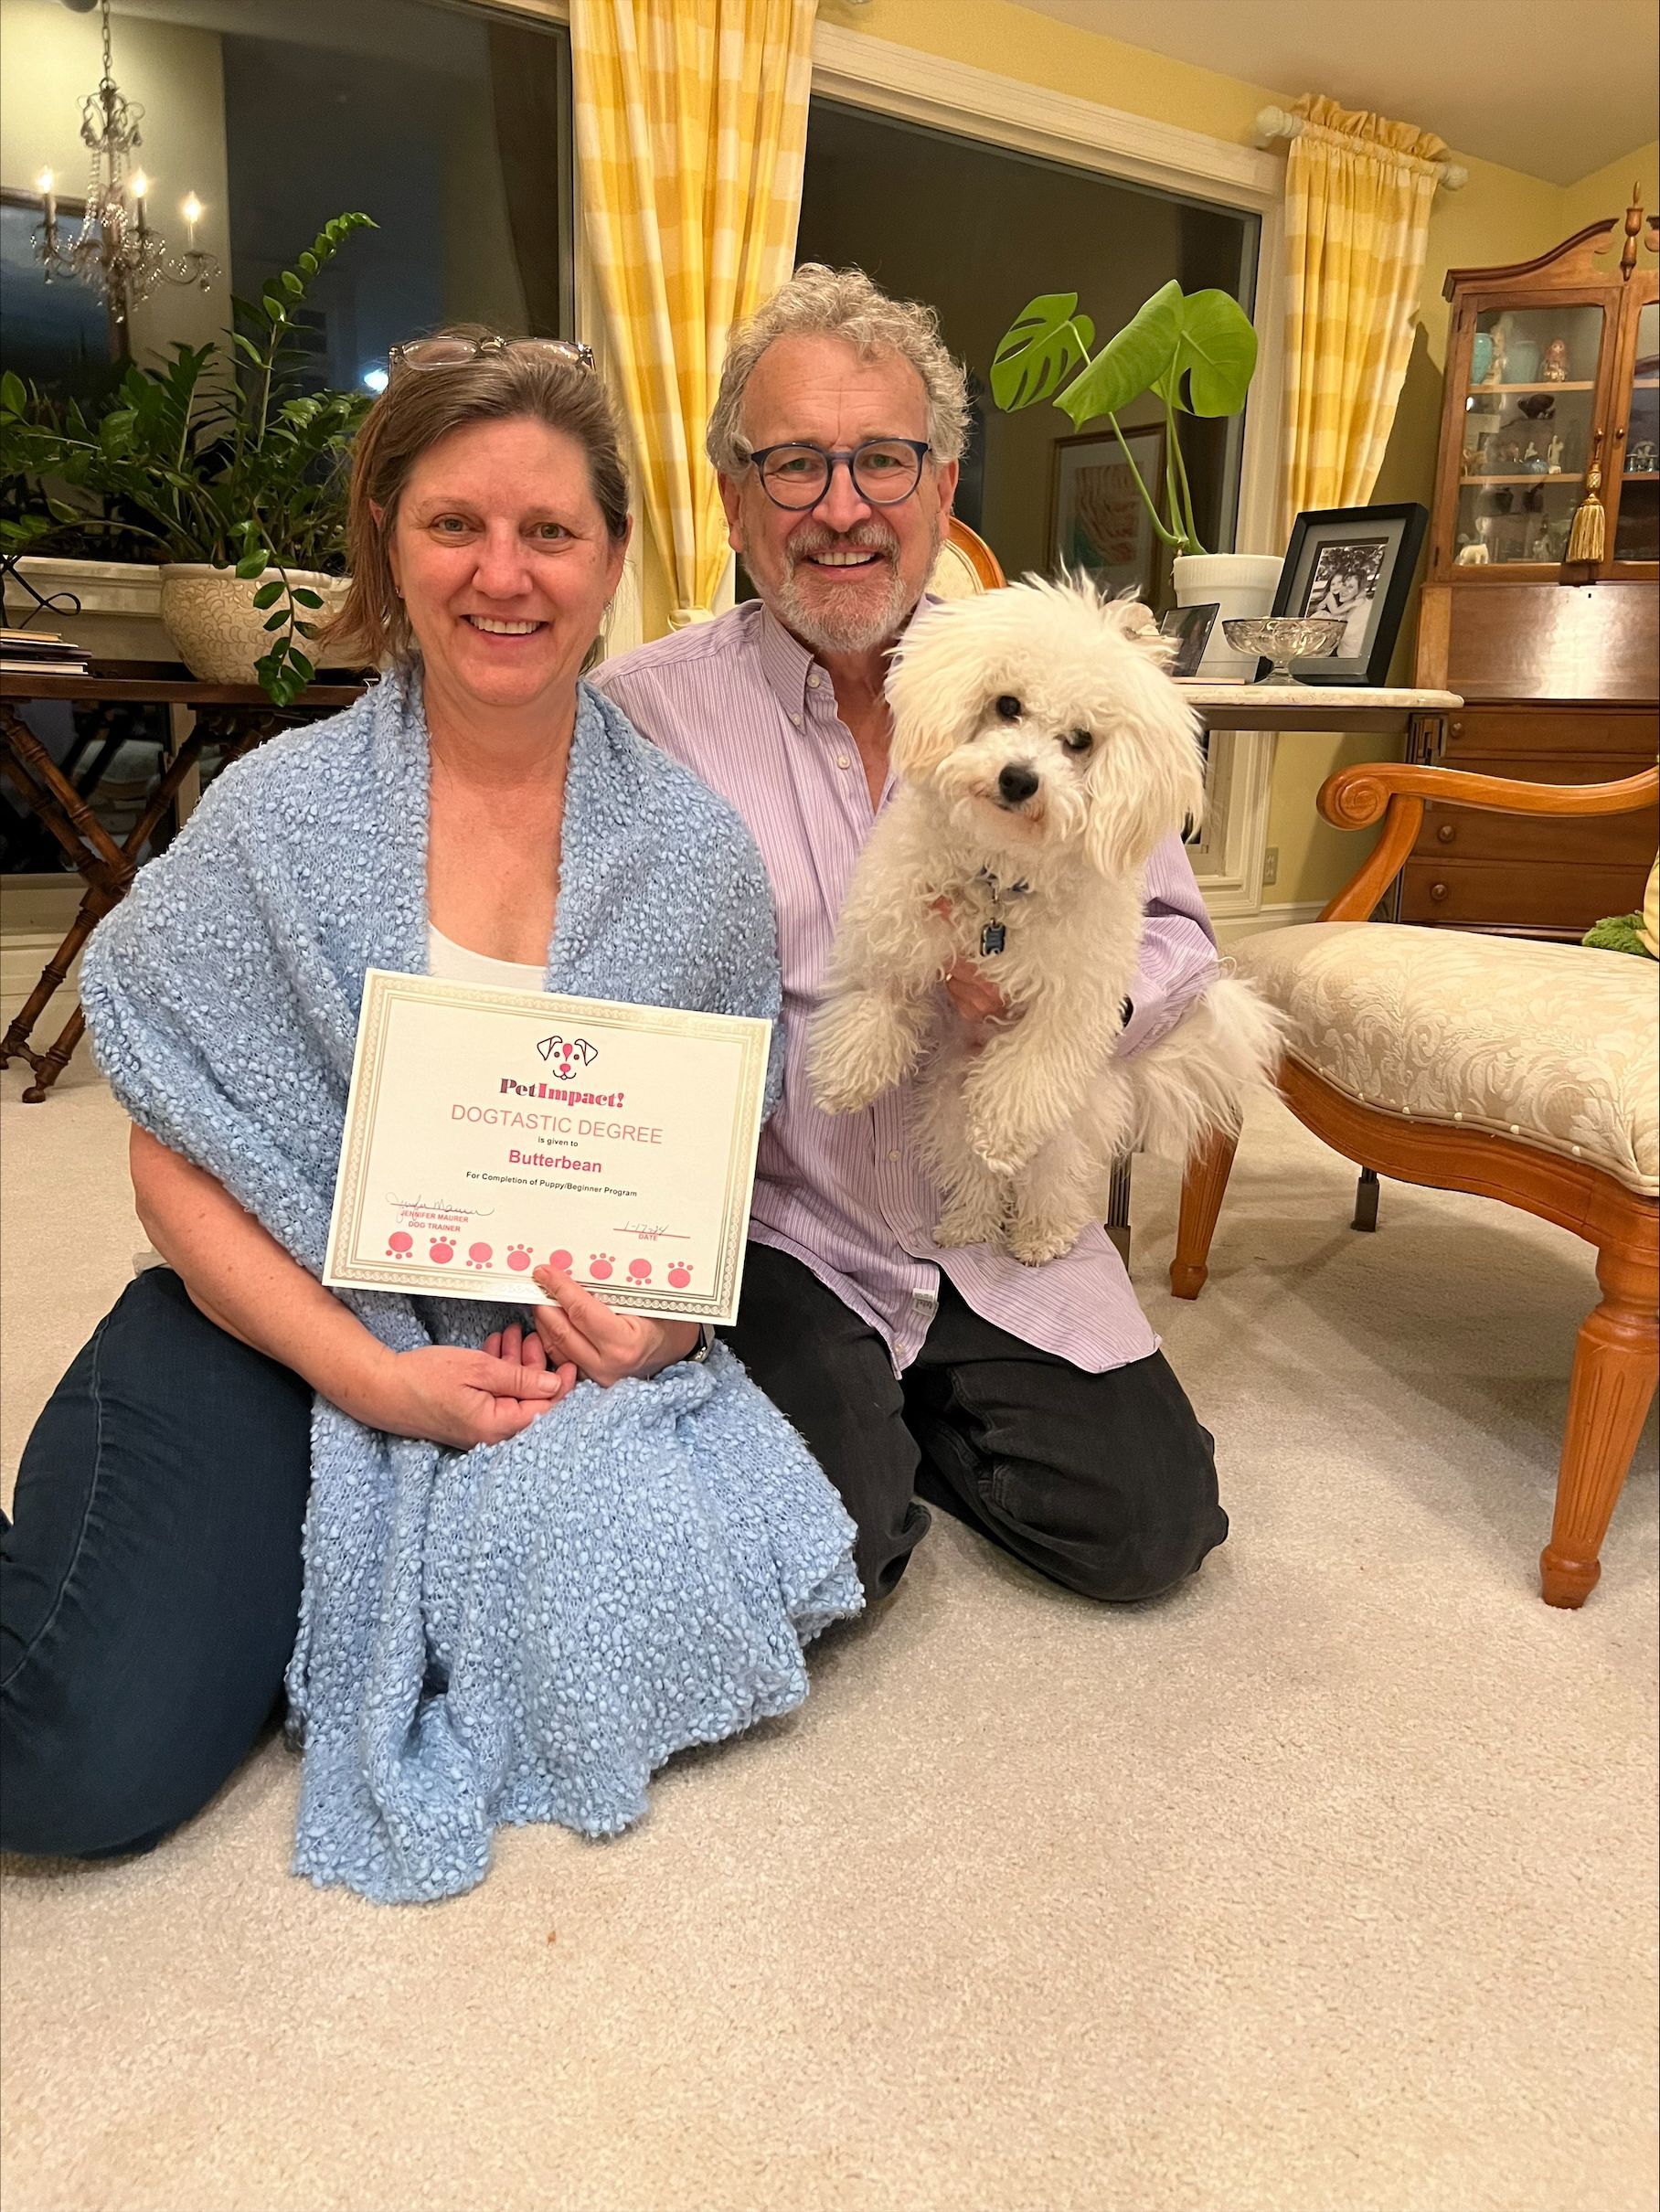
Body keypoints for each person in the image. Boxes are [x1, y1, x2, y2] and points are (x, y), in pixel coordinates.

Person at [0, 334, 859, 1889]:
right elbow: (176, 1146)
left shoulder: (694, 861)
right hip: (277, 1308)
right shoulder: (276, 819)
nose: (503, 576)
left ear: (611, 564)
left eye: (550, 532)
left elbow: (708, 1167)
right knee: (69, 1762)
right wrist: (372, 1382)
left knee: (686, 1584)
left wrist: (655, 1327)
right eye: (454, 525)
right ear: (388, 545)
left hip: (549, 1339)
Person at [591, 265, 1229, 1605]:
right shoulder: (640, 717)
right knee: (830, 1558)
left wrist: (1067, 1021)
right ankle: (855, 1427)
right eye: (794, 466)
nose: (841, 508)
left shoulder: (1058, 673)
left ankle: (903, 1415)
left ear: (941, 490)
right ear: (733, 498)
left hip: (994, 1222)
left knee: (1148, 1535)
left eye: (882, 460)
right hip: (791, 1219)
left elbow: (1171, 930)